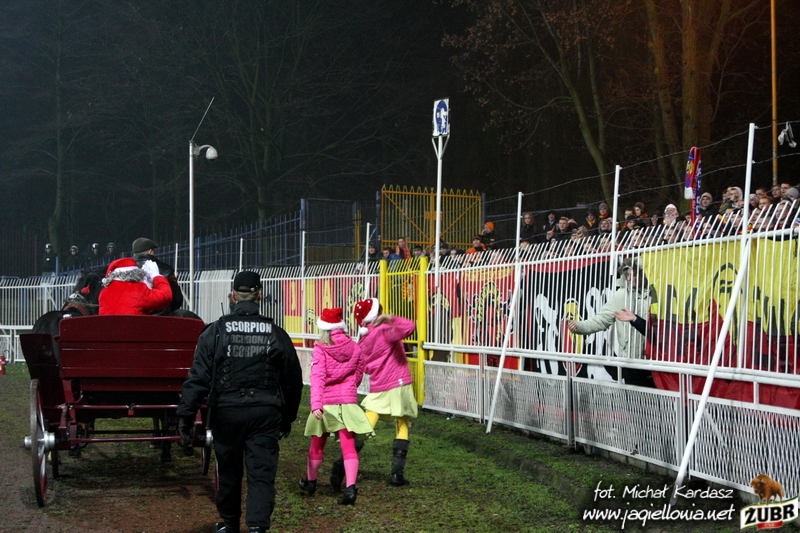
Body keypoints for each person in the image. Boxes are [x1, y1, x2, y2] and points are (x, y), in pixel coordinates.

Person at [176, 271, 303, 533]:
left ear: (232, 296)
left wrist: (186, 415)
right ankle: (257, 528)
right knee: (261, 474)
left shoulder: (215, 331)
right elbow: (292, 380)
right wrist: (288, 417)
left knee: (229, 471)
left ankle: (230, 524)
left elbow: (198, 377)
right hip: (265, 412)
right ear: (259, 295)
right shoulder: (276, 333)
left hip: (227, 412)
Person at [330, 298, 418, 489]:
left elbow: (363, 366)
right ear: (377, 313)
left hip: (379, 386)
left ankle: (341, 466)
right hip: (399, 383)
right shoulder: (385, 330)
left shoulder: (363, 341)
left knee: (364, 427)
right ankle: (397, 474)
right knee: (402, 424)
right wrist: (390, 318)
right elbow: (410, 327)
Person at [299, 308, 373, 505]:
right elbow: (359, 373)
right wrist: (348, 388)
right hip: (347, 402)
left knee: (317, 444)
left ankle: (311, 482)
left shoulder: (321, 348)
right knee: (348, 446)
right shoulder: (355, 347)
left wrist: (316, 403)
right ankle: (350, 488)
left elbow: (318, 377)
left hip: (326, 403)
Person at [564, 258, 656, 386]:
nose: (630, 278)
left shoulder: (655, 294)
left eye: (634, 274)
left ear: (643, 273)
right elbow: (600, 320)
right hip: (630, 361)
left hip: (655, 360)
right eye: (627, 274)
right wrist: (579, 326)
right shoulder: (620, 295)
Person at [98, 258, 173, 315]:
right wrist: (156, 276)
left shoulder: (104, 292)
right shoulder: (138, 289)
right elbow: (165, 297)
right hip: (134, 329)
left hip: (109, 330)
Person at [131, 237, 183, 314]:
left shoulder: (126, 269)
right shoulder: (165, 269)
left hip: (132, 316)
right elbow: (177, 299)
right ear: (150, 251)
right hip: (160, 316)